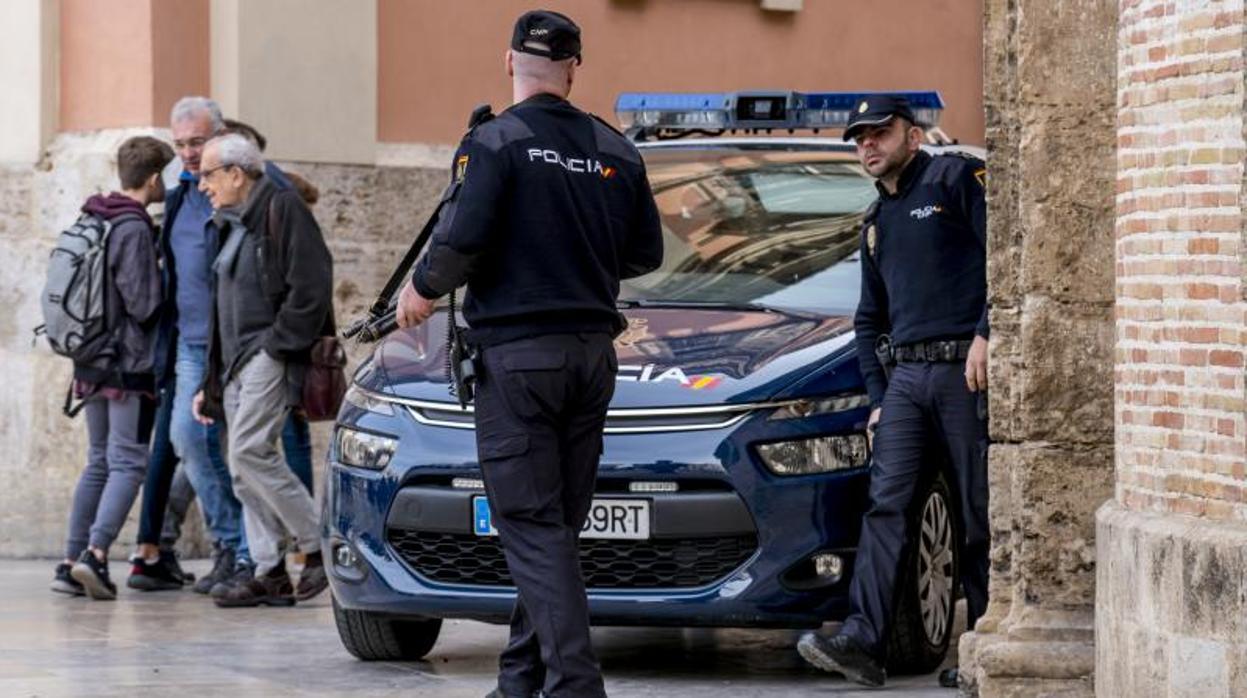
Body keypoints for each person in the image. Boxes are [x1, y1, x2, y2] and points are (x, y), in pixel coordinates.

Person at [395, 11, 663, 697]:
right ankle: (520, 680)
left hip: (518, 360)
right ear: (575, 66)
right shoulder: (617, 149)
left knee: (531, 527)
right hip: (590, 358)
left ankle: (574, 685)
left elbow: (460, 240)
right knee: (554, 531)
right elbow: (645, 254)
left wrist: (420, 292)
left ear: (508, 61)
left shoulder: (496, 141)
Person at [796, 95, 990, 689]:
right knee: (886, 509)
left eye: (880, 132)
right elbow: (866, 321)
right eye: (859, 139)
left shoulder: (955, 177)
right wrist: (879, 397)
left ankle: (985, 646)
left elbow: (1006, 258)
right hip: (905, 381)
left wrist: (988, 332)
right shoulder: (876, 223)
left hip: (965, 370)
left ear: (912, 134)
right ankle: (862, 641)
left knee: (975, 511)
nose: (868, 146)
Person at [191, 133, 332, 607]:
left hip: (266, 354)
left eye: (207, 174)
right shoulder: (230, 223)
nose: (201, 184)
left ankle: (318, 546)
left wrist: (277, 348)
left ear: (236, 173)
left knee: (251, 451)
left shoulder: (282, 208)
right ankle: (269, 569)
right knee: (239, 469)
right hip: (233, 364)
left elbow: (311, 284)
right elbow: (220, 310)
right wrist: (210, 381)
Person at [51, 136, 174, 600]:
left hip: (90, 358)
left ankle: (68, 561)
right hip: (125, 364)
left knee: (99, 461)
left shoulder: (95, 215)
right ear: (155, 178)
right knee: (128, 462)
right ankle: (96, 555)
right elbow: (144, 304)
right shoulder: (133, 228)